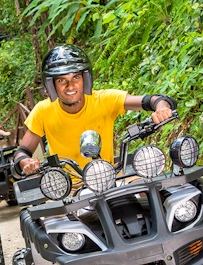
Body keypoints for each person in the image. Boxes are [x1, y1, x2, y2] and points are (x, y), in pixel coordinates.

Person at [13, 44, 177, 176]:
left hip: (108, 177)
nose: (71, 86)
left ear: (85, 79)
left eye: (76, 77)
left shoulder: (104, 99)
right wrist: (25, 162)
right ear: (52, 85)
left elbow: (152, 100)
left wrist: (161, 108)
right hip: (68, 191)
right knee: (50, 218)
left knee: (148, 193)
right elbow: (22, 151)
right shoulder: (43, 110)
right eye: (62, 80)